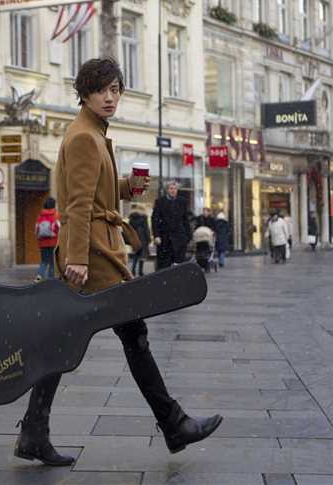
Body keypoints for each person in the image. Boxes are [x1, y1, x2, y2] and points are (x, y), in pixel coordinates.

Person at [15, 58, 221, 467]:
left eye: (116, 90)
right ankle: (174, 423)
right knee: (131, 336)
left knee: (66, 341)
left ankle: (34, 433)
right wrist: (75, 258)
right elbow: (75, 205)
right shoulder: (83, 138)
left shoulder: (92, 134)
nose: (110, 97)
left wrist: (127, 186)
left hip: (98, 249)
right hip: (93, 254)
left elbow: (96, 194)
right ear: (85, 92)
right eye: (102, 89)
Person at [152, 181, 191, 270]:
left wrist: (188, 236)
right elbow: (155, 220)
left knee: (179, 265)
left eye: (175, 189)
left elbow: (186, 220)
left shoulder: (182, 201)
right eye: (171, 188)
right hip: (165, 238)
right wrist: (156, 235)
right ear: (167, 190)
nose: (173, 191)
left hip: (179, 237)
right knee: (164, 265)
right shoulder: (160, 202)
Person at [34, 197, 59, 282]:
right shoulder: (56, 215)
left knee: (44, 261)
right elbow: (59, 228)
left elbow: (36, 229)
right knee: (52, 262)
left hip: (42, 243)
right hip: (53, 242)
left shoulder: (40, 215)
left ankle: (39, 276)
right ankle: (50, 280)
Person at [128, 204, 151, 277]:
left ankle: (133, 270)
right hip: (143, 238)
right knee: (142, 255)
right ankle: (140, 271)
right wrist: (148, 239)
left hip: (135, 238)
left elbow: (129, 228)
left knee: (136, 254)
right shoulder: (144, 217)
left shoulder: (132, 217)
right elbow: (146, 229)